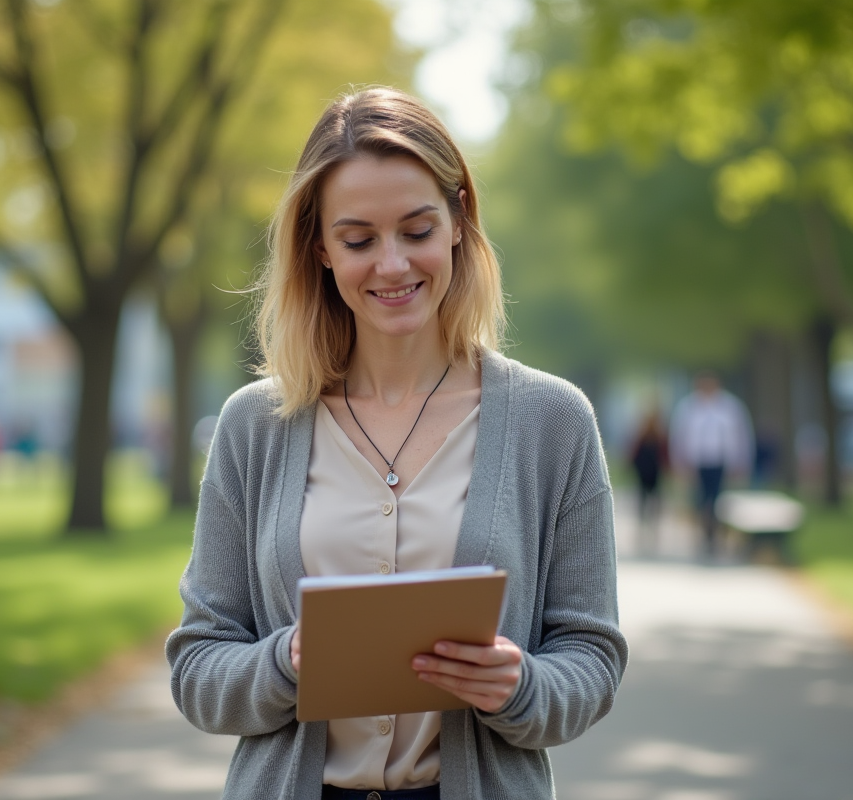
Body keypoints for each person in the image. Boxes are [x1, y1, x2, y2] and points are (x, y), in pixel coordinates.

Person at [165, 88, 627, 800]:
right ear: (318, 247)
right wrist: (288, 661)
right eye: (358, 240)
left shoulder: (553, 421)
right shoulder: (253, 427)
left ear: (458, 222)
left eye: (416, 231)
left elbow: (592, 657)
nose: (391, 266)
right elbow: (198, 667)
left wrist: (521, 684)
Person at [668, 372, 754, 558]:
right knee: (700, 499)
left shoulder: (731, 407)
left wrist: (741, 460)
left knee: (719, 500)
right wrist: (679, 462)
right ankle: (704, 534)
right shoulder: (688, 407)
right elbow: (678, 437)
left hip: (721, 461)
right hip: (697, 462)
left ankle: (717, 533)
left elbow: (742, 436)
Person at [628, 407, 668, 554]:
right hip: (649, 473)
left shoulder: (652, 436)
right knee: (649, 501)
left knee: (647, 501)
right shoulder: (648, 436)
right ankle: (647, 526)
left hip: (648, 473)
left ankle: (646, 526)